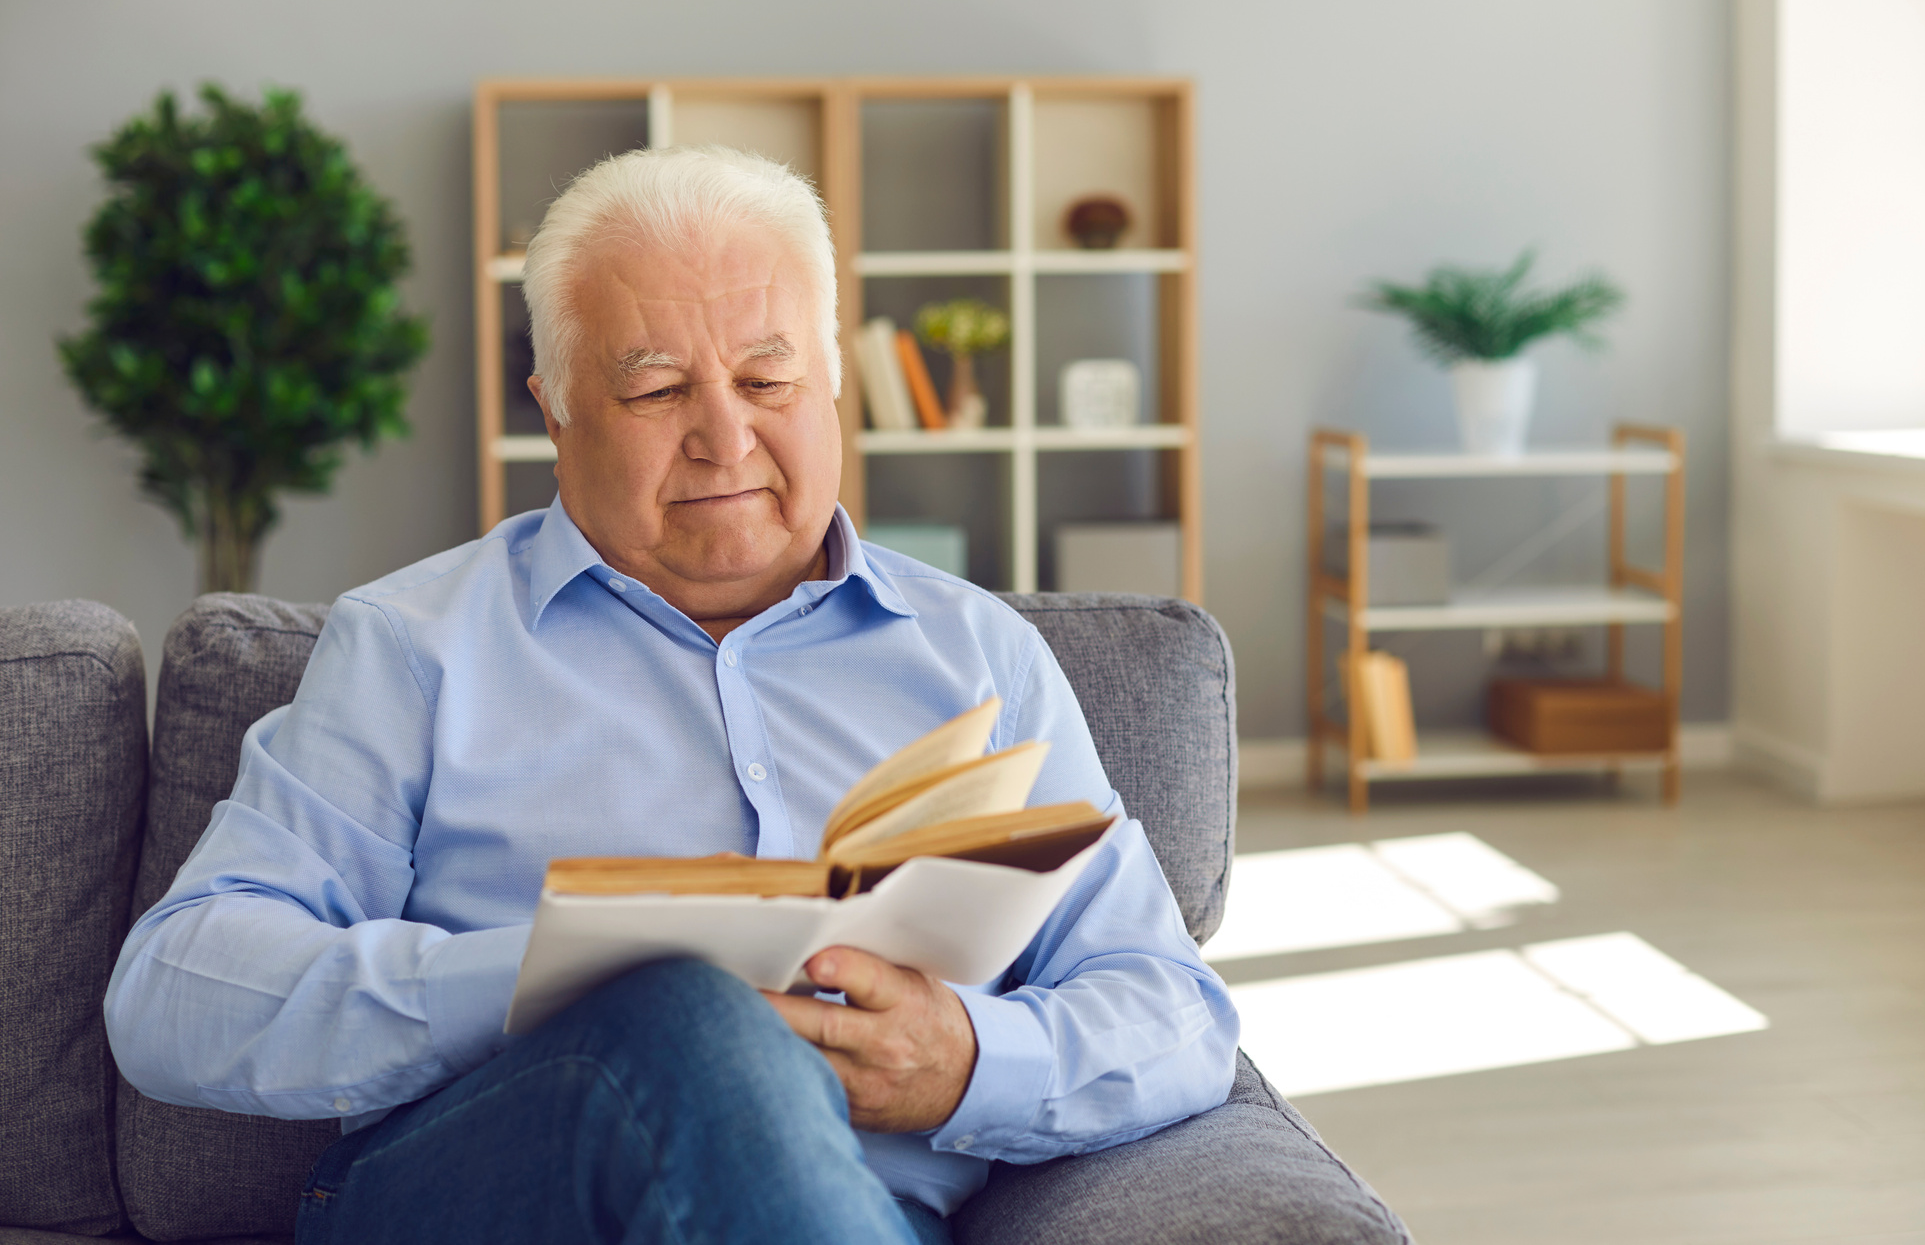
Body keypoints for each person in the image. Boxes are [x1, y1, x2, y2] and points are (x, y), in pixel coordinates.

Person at [103, 146, 1241, 1245]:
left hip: (862, 1210)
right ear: (553, 407)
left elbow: (1173, 1008)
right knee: (683, 1016)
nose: (724, 437)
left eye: (767, 378)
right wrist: (552, 978)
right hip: (500, 1191)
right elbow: (175, 995)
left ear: (832, 377)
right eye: (655, 389)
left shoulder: (978, 654)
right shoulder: (413, 646)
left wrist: (967, 1063)